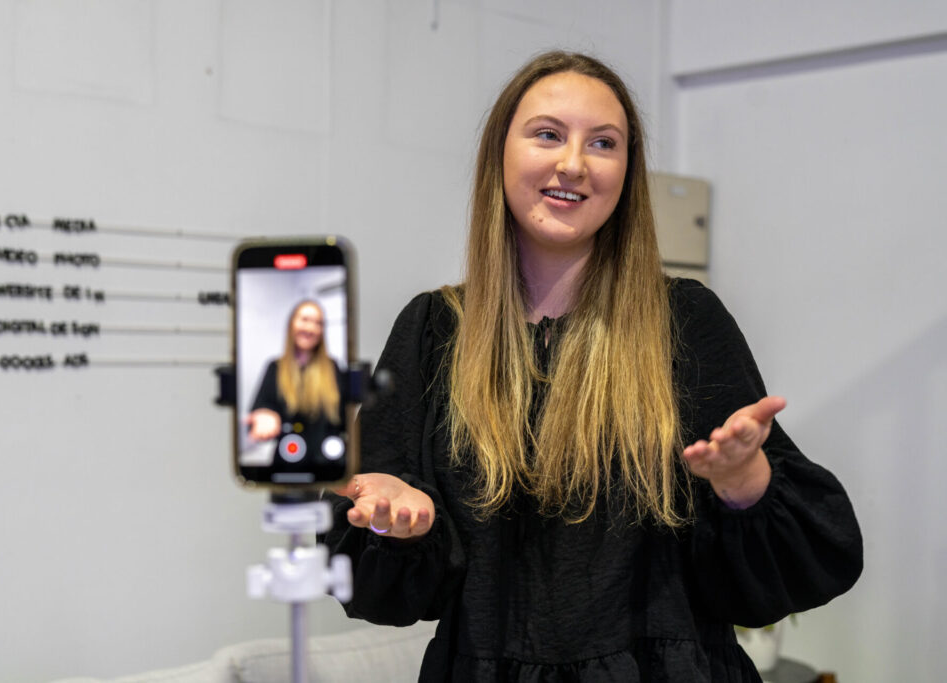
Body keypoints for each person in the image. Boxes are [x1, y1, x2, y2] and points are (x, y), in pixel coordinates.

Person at [323, 51, 862, 682]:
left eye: (603, 143)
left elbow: (789, 571)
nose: (573, 164)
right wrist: (398, 526)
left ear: (627, 173)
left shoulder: (685, 322)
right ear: (501, 154)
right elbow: (383, 587)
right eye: (548, 134)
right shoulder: (432, 331)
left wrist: (743, 480)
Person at [246, 300, 343, 469]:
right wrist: (264, 415)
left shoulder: (333, 368)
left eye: (318, 323)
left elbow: (344, 420)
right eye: (305, 319)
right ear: (292, 324)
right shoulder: (275, 367)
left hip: (327, 467)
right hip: (286, 463)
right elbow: (261, 407)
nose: (310, 328)